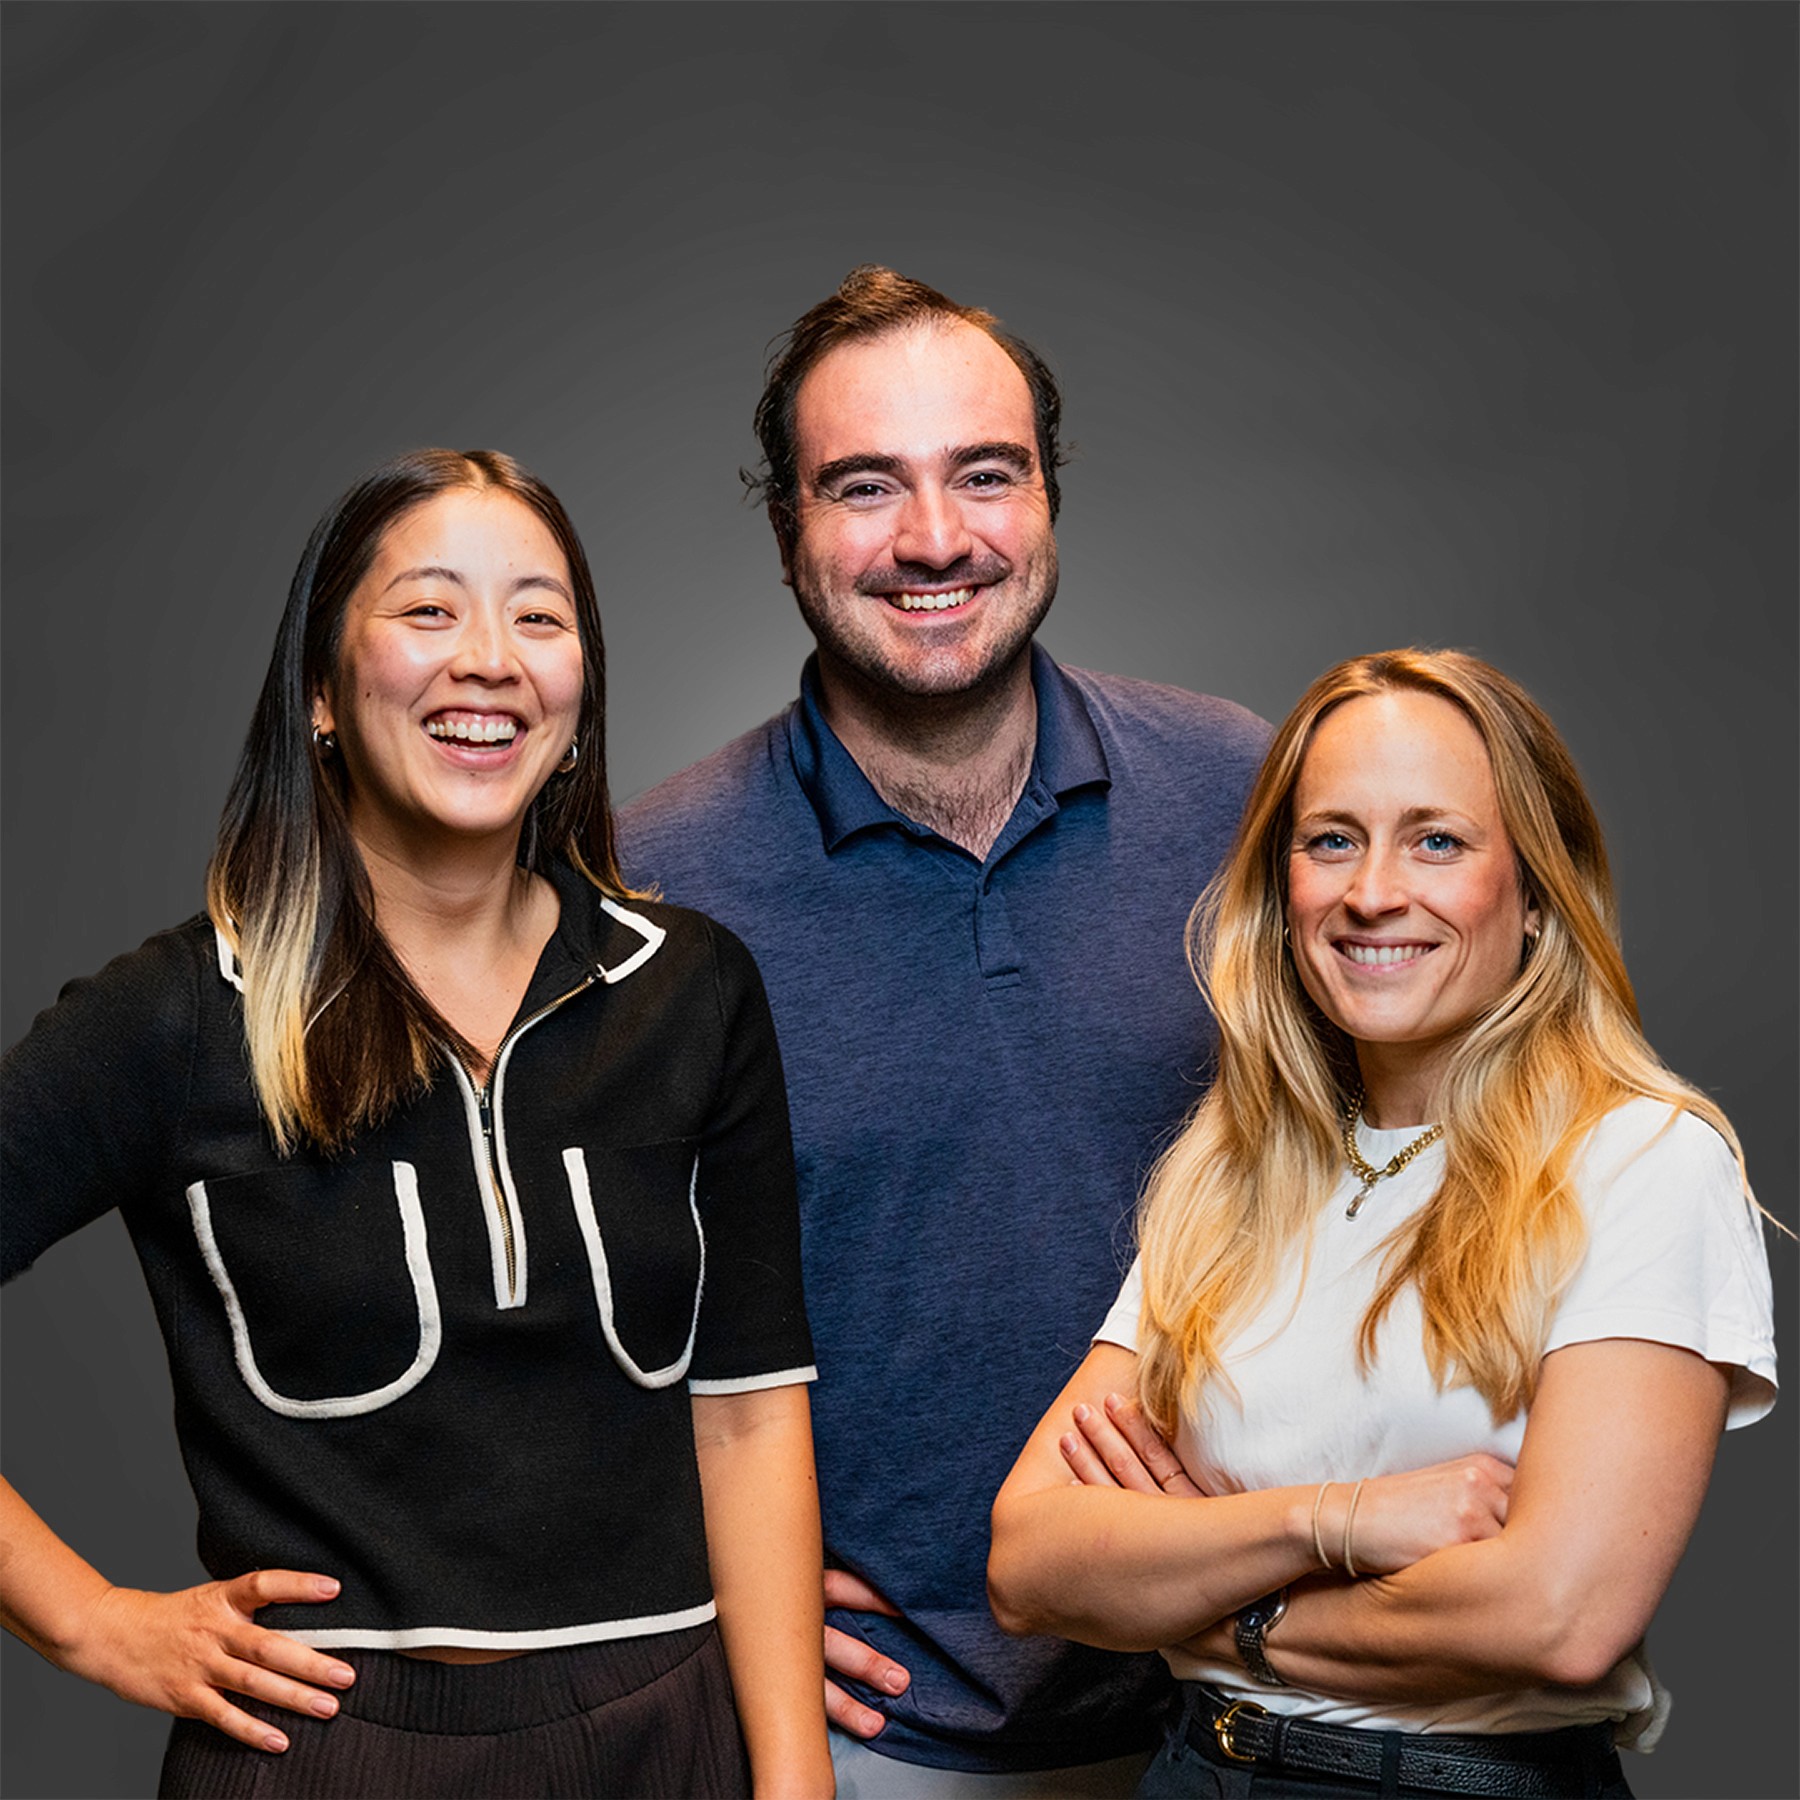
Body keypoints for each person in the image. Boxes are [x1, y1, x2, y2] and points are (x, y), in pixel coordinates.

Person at [0, 449, 833, 1800]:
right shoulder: (176, 1016)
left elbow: (746, 1423)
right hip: (321, 1754)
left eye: (539, 617)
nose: (491, 660)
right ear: (322, 694)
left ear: (579, 686)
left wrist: (794, 1781)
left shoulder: (690, 991)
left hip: (666, 1737)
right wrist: (88, 1621)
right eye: (430, 610)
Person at [616, 267, 1271, 1793]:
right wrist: (694, 1600)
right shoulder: (652, 889)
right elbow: (573, 1314)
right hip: (872, 1744)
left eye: (987, 474)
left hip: (1237, 1706)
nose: (934, 539)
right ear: (786, 530)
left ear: (1048, 497)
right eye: (865, 487)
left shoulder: (1241, 795)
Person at [989, 648, 1778, 1798]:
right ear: (1283, 883)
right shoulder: (1232, 1172)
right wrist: (1343, 1521)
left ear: (1537, 889)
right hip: (1195, 1774)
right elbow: (1031, 1560)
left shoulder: (1641, 1159)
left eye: (1438, 840)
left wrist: (1213, 1610)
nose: (1372, 892)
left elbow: (1559, 1617)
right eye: (1332, 840)